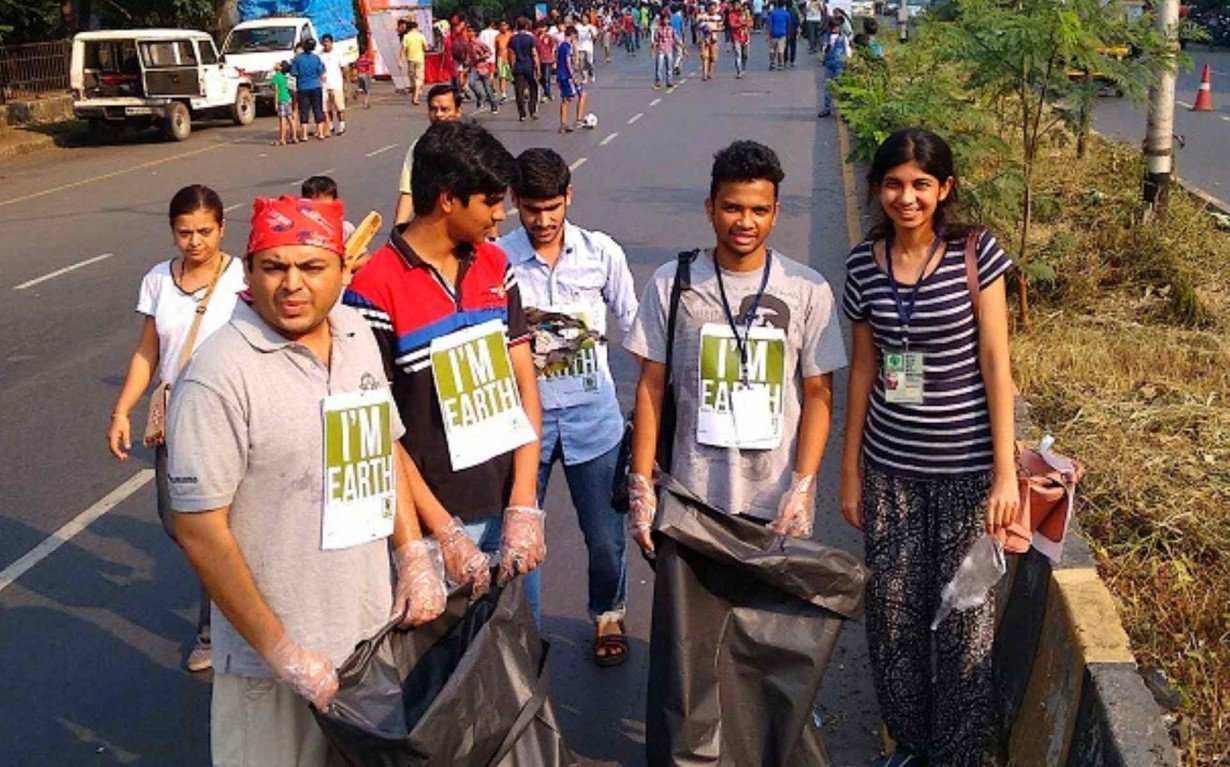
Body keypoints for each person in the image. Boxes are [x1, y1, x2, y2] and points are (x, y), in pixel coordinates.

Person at [168, 194, 449, 767]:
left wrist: (413, 551)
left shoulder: (353, 333)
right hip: (271, 672)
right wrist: (281, 651)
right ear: (247, 273)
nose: (291, 284)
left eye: (312, 267)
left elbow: (382, 447)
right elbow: (199, 531)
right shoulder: (219, 375)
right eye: (273, 267)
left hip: (369, 645)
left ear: (345, 271)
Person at [623, 135, 846, 653]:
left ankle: (762, 733)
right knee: (694, 641)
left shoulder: (807, 289)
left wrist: (803, 485)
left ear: (775, 214)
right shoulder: (671, 284)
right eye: (731, 207)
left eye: (758, 210)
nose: (744, 222)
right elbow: (651, 389)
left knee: (767, 639)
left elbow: (818, 395)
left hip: (773, 502)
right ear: (710, 208)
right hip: (692, 498)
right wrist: (641, 485)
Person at [839, 128, 1017, 767]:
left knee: (965, 621)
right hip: (891, 473)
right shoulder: (864, 265)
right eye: (893, 183)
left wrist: (1005, 475)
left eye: (920, 184)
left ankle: (964, 755)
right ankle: (910, 746)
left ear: (944, 190)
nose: (906, 197)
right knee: (892, 619)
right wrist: (850, 470)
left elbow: (997, 363)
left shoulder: (976, 252)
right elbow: (863, 369)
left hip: (969, 474)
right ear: (876, 188)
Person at [345, 120, 547, 623]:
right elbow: (379, 432)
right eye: (490, 201)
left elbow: (525, 383)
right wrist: (442, 533)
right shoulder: (372, 291)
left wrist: (524, 499)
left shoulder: (496, 267)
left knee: (519, 661)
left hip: (507, 508)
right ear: (447, 201)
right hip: (437, 527)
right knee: (445, 683)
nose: (501, 216)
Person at [497, 148, 639, 666]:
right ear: (515, 202)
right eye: (532, 208)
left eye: (552, 207)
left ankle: (608, 613)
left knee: (604, 536)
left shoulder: (602, 254)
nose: (542, 220)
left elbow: (636, 328)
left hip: (593, 419)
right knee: (520, 532)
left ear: (568, 198)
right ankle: (523, 631)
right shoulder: (498, 259)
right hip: (523, 423)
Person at [107, 184, 246, 674]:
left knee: (218, 526)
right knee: (178, 521)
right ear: (172, 232)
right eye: (185, 232)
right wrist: (122, 410)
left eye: (205, 231)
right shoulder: (157, 281)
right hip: (176, 418)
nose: (195, 241)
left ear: (222, 228)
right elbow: (148, 352)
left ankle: (215, 631)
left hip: (230, 419)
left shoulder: (243, 277)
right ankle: (232, 599)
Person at [395, 84, 464, 226]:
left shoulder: (470, 146)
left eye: (444, 109)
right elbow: (408, 192)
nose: (438, 115)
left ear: (458, 112)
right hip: (430, 230)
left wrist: (492, 238)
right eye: (433, 109)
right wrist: (399, 228)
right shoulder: (419, 148)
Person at [289, 38, 327, 141]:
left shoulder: (298, 59)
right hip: (316, 86)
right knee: (317, 109)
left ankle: (304, 135)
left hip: (303, 87)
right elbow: (321, 71)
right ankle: (321, 133)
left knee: (304, 111)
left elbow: (293, 73)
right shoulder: (316, 58)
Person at [556, 25, 589, 132]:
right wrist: (573, 76)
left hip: (562, 75)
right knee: (567, 99)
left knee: (575, 96)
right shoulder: (566, 46)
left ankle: (568, 122)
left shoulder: (561, 45)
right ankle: (569, 122)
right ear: (572, 35)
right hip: (567, 76)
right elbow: (568, 61)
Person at [817, 16, 850, 117]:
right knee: (828, 86)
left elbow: (847, 50)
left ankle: (843, 110)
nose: (834, 29)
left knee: (840, 86)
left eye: (836, 27)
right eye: (833, 27)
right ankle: (827, 108)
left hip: (840, 64)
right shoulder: (827, 37)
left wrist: (848, 62)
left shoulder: (843, 38)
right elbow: (823, 50)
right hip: (829, 64)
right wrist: (825, 50)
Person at [509, 17, 541, 121]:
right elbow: (534, 53)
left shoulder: (513, 39)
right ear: (527, 26)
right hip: (529, 66)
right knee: (533, 88)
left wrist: (511, 67)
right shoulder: (530, 38)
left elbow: (511, 54)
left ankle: (522, 114)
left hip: (518, 66)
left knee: (519, 90)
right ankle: (532, 110)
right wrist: (538, 68)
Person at [319, 34, 347, 136]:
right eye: (324, 42)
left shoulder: (338, 53)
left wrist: (345, 85)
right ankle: (330, 126)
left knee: (339, 107)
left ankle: (342, 125)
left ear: (331, 42)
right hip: (324, 85)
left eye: (327, 41)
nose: (325, 44)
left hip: (336, 84)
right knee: (327, 108)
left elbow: (344, 69)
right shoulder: (319, 55)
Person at [400, 20, 428, 105]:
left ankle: (415, 97)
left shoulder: (406, 37)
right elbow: (426, 47)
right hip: (420, 59)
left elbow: (402, 49)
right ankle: (416, 95)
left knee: (412, 78)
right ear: (416, 27)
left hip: (410, 60)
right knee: (418, 78)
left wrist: (400, 61)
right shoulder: (421, 36)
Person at [270, 60, 294, 145]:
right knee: (290, 118)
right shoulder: (284, 76)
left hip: (281, 98)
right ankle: (294, 136)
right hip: (288, 98)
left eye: (278, 64)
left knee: (282, 119)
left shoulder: (276, 77)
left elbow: (276, 91)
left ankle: (282, 138)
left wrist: (275, 102)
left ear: (280, 68)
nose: (275, 64)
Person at [652, 10, 677, 89]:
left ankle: (669, 82)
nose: (666, 21)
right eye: (664, 19)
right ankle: (658, 82)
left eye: (667, 19)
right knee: (659, 67)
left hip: (669, 49)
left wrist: (683, 47)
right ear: (661, 20)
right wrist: (653, 50)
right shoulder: (658, 29)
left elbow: (676, 38)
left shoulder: (671, 29)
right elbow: (655, 40)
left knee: (669, 67)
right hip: (660, 50)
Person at [697, 2, 723, 80]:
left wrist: (713, 30)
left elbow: (721, 28)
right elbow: (698, 26)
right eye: (711, 8)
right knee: (704, 57)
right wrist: (705, 28)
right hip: (705, 39)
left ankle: (710, 72)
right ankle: (704, 74)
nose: (712, 10)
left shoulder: (718, 17)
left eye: (714, 8)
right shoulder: (703, 16)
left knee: (713, 57)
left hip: (714, 39)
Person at [535, 19, 558, 101]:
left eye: (543, 27)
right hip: (539, 60)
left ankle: (547, 94)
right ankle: (547, 91)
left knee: (547, 77)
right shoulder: (535, 38)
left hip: (548, 59)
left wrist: (553, 60)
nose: (541, 29)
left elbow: (553, 48)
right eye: (540, 27)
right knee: (541, 78)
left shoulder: (549, 37)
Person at [766, 0, 790, 70]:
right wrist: (788, 34)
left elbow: (770, 24)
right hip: (782, 33)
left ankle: (772, 63)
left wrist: (768, 34)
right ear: (783, 5)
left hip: (773, 33)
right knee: (781, 50)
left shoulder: (773, 13)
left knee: (772, 49)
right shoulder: (786, 13)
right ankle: (780, 64)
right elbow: (788, 25)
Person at [729, 1, 750, 78]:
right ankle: (739, 71)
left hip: (745, 36)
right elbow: (732, 24)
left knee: (745, 55)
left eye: (738, 4)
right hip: (736, 37)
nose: (736, 6)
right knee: (738, 54)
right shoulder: (732, 14)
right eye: (735, 4)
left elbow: (750, 23)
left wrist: (746, 23)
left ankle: (744, 68)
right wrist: (741, 24)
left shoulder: (746, 13)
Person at [575, 14, 598, 83]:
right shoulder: (577, 27)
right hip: (580, 47)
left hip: (588, 47)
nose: (584, 20)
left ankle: (592, 74)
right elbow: (574, 35)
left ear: (588, 19)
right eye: (583, 18)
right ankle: (584, 77)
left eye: (586, 18)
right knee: (581, 63)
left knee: (589, 62)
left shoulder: (591, 27)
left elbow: (595, 38)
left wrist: (591, 33)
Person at [495, 20, 514, 103]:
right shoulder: (497, 37)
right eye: (501, 25)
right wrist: (496, 61)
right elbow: (496, 50)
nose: (503, 27)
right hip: (501, 58)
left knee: (514, 77)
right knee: (502, 77)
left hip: (510, 58)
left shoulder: (511, 36)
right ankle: (503, 94)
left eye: (504, 25)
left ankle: (523, 91)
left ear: (507, 26)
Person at [785, 0, 801, 67]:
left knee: (785, 46)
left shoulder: (785, 12)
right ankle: (792, 60)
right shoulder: (795, 12)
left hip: (786, 31)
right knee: (793, 46)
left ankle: (785, 60)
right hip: (793, 31)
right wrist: (798, 30)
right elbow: (797, 23)